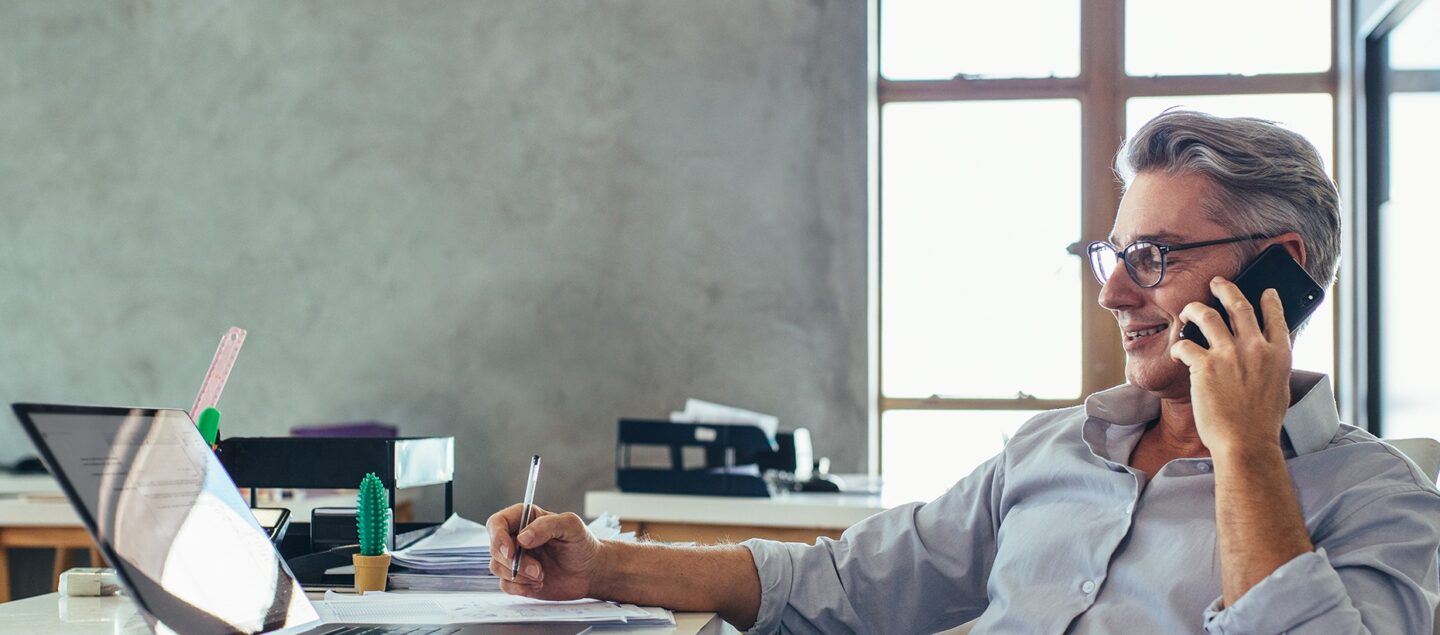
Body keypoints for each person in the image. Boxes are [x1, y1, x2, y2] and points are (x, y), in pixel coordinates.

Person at [486, 110, 1440, 633]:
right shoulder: (1059, 447)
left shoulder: (1377, 499)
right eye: (1109, 255)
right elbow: (839, 585)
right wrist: (600, 565)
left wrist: (1244, 452)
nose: (1113, 295)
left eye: (1153, 257)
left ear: (1278, 272)